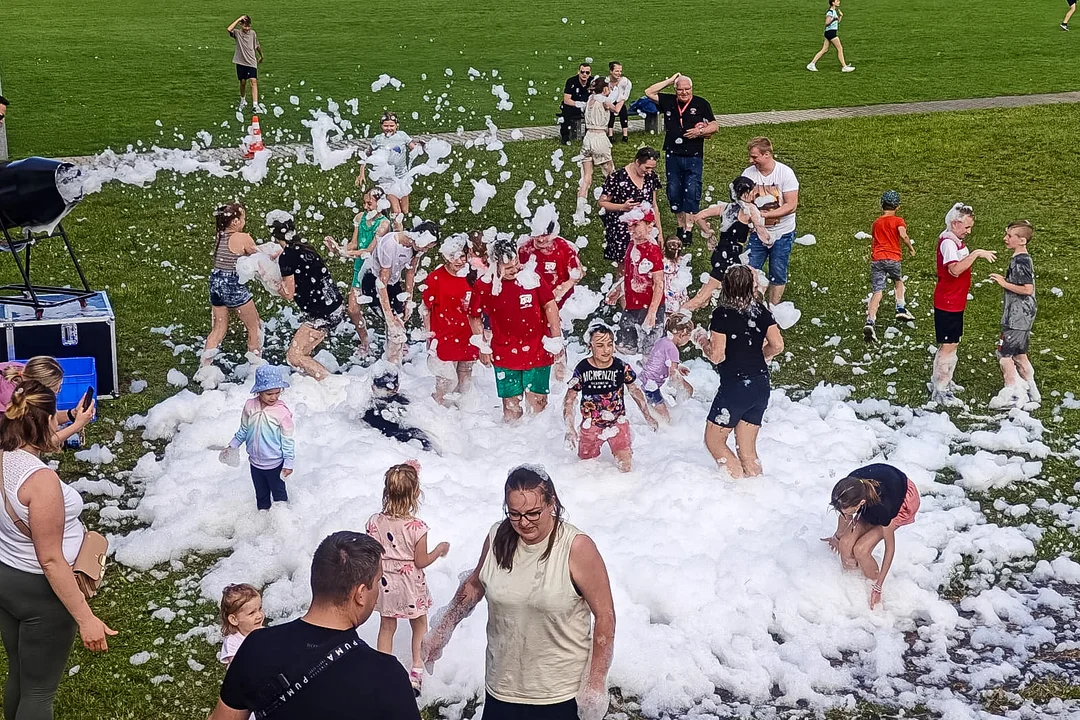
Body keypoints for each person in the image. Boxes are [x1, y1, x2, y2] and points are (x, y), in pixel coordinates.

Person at [421, 466, 615, 720]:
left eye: (533, 513)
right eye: (515, 514)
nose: (524, 522)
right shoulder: (497, 536)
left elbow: (605, 616)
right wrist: (441, 631)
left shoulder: (576, 548)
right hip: (501, 687)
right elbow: (473, 586)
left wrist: (595, 685)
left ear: (551, 504)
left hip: (557, 694)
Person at [207, 532, 421, 720]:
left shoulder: (257, 645)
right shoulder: (387, 676)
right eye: (378, 582)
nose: (379, 591)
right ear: (361, 594)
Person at [0, 381, 116, 720]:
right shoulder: (41, 483)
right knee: (39, 693)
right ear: (43, 421)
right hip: (42, 592)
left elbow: (37, 445)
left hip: (7, 575)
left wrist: (74, 424)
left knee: (21, 674)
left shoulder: (6, 453)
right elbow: (50, 560)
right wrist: (86, 618)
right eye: (55, 416)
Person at [366, 462, 449, 695]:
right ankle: (416, 673)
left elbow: (371, 551)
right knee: (419, 624)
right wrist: (439, 550)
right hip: (410, 584)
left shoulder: (375, 522)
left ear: (386, 492)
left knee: (387, 626)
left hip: (385, 582)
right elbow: (420, 561)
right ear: (415, 494)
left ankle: (382, 673)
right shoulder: (417, 527)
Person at [698, 265, 784, 478]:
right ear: (750, 286)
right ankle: (756, 491)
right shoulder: (761, 312)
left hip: (736, 387)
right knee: (747, 452)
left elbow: (717, 356)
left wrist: (701, 341)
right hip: (760, 385)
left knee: (714, 441)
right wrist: (758, 356)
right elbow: (778, 345)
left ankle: (736, 488)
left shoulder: (722, 314)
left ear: (725, 287)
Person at [468, 237, 565, 423]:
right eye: (508, 267)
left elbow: (550, 305)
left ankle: (538, 444)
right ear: (494, 265)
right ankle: (513, 444)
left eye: (515, 264)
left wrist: (556, 339)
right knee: (511, 407)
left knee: (538, 404)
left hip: (537, 349)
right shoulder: (484, 285)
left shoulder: (531, 278)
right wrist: (482, 345)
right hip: (504, 351)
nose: (514, 270)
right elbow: (474, 315)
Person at [822, 464, 920, 609]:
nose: (845, 514)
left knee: (861, 550)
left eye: (849, 511)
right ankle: (852, 587)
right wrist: (837, 538)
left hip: (901, 501)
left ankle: (871, 583)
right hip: (879, 490)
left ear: (860, 504)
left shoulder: (883, 508)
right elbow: (845, 515)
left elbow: (890, 548)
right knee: (845, 544)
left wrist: (879, 585)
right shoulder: (849, 489)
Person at [564, 325, 657, 472]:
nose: (606, 350)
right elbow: (570, 398)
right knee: (585, 467)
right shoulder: (582, 368)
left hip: (617, 422)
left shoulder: (620, 367)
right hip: (591, 424)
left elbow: (635, 391)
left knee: (626, 465)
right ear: (590, 346)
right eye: (600, 345)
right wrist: (570, 428)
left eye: (609, 344)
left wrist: (648, 415)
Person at [930, 203, 997, 406]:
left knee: (953, 343)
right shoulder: (949, 244)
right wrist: (976, 254)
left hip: (955, 301)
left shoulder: (955, 241)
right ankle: (940, 389)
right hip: (948, 301)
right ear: (955, 223)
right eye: (966, 227)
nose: (969, 231)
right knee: (948, 346)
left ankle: (945, 382)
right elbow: (954, 270)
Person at [644, 73, 718, 246]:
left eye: (687, 89)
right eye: (680, 89)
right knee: (674, 190)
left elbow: (715, 126)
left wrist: (699, 132)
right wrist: (670, 80)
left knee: (692, 190)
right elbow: (649, 92)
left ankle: (688, 230)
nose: (684, 92)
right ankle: (680, 225)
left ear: (692, 89)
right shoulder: (669, 101)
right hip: (673, 153)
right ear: (675, 90)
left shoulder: (701, 104)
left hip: (694, 155)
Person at [681, 176, 770, 313]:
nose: (754, 194)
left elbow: (698, 216)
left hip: (720, 253)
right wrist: (770, 237)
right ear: (745, 193)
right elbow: (764, 236)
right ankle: (676, 318)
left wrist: (709, 232)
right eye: (752, 191)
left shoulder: (725, 208)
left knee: (752, 283)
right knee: (702, 298)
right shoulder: (750, 210)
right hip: (731, 258)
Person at [270, 216, 343, 380]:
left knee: (294, 356)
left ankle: (330, 383)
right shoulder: (304, 246)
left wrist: (271, 281)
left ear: (274, 236)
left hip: (322, 314)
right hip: (334, 304)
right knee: (303, 352)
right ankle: (312, 382)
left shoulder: (287, 257)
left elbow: (288, 294)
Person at [325, 187, 391, 357]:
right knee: (353, 309)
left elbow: (369, 250)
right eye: (364, 202)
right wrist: (340, 248)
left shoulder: (384, 225)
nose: (366, 206)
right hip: (359, 269)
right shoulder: (359, 218)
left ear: (381, 204)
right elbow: (355, 244)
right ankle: (365, 340)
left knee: (384, 309)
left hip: (375, 271)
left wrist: (344, 253)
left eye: (370, 203)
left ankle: (395, 339)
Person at [362, 220, 439, 365]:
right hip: (373, 282)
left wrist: (408, 301)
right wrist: (389, 316)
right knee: (394, 324)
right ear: (418, 236)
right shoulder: (390, 245)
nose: (426, 250)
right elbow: (381, 284)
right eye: (427, 246)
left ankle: (394, 357)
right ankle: (391, 364)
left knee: (400, 319)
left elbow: (410, 272)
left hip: (393, 282)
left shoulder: (417, 247)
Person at [220, 364, 294, 510]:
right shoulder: (250, 406)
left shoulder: (282, 412)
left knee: (279, 495)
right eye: (269, 393)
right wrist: (233, 445)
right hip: (255, 463)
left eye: (277, 392)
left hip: (275, 463)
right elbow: (244, 429)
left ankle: (283, 521)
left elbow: (288, 439)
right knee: (261, 495)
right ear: (259, 391)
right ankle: (261, 521)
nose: (274, 397)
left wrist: (288, 462)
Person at [202, 203, 263, 368]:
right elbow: (260, 258)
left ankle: (204, 368)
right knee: (254, 326)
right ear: (235, 221)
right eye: (243, 218)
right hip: (232, 284)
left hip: (216, 282)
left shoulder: (220, 235)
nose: (245, 221)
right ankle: (255, 367)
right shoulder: (242, 237)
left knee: (219, 328)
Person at [421, 234, 479, 406]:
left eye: (463, 256)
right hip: (445, 336)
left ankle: (465, 413)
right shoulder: (435, 278)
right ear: (445, 256)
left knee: (466, 374)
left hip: (467, 335)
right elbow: (426, 309)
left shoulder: (472, 275)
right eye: (453, 256)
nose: (459, 261)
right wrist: (429, 335)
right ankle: (440, 412)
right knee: (447, 381)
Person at [743, 138, 801, 305]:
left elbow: (791, 205)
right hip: (757, 233)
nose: (751, 161)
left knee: (778, 271)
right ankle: (749, 305)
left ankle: (773, 309)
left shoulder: (785, 173)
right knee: (750, 269)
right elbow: (742, 202)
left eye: (754, 157)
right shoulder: (748, 174)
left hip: (782, 232)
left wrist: (764, 216)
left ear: (767, 154)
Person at [989, 220, 1038, 408]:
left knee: (1004, 354)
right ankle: (1033, 391)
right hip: (1022, 316)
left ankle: (1012, 393)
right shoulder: (1020, 259)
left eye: (1010, 236)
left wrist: (1003, 282)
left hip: (1018, 316)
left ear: (1022, 240)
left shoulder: (1021, 261)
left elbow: (1026, 289)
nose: (1005, 238)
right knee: (1020, 353)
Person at [606, 210, 665, 356]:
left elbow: (659, 284)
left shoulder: (653, 250)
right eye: (629, 225)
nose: (630, 229)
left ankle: (650, 376)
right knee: (623, 347)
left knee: (650, 352)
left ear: (649, 227)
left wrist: (652, 313)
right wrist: (619, 289)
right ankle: (627, 375)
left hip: (651, 306)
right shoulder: (632, 245)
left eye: (636, 224)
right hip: (632, 306)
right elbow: (630, 274)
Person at [0, 356, 96, 445]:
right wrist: (77, 425)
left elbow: (43, 418)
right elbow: (39, 444)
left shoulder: (24, 372)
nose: (58, 392)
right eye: (56, 390)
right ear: (41, 391)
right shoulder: (15, 403)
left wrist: (72, 414)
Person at [864, 190, 917, 343]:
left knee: (877, 291)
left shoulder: (876, 222)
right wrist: (910, 248)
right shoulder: (898, 221)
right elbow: (903, 235)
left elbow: (874, 240)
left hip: (877, 259)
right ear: (897, 207)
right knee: (898, 281)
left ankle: (870, 321)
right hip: (893, 258)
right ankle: (900, 308)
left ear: (882, 205)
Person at [598, 146, 663, 265]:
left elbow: (654, 205)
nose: (649, 171)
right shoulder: (617, 178)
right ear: (637, 162)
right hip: (622, 230)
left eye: (652, 168)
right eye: (647, 167)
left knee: (646, 267)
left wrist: (659, 233)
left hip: (645, 229)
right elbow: (602, 202)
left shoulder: (651, 177)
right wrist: (622, 207)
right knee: (624, 268)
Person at [355, 113, 425, 219]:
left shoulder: (402, 136)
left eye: (391, 126)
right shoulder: (378, 139)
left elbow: (414, 149)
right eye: (385, 126)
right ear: (381, 126)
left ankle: (392, 223)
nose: (389, 128)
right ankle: (394, 230)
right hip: (387, 179)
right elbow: (366, 156)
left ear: (397, 125)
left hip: (402, 177)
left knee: (405, 210)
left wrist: (421, 147)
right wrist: (361, 173)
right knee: (397, 211)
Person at [638, 313, 696, 422]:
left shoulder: (663, 341)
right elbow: (673, 375)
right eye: (688, 337)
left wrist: (678, 367)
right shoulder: (673, 349)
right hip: (650, 387)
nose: (688, 340)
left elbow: (662, 361)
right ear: (682, 334)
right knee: (665, 419)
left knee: (655, 411)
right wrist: (687, 387)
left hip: (645, 381)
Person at [575, 77, 617, 224]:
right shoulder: (604, 100)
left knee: (586, 178)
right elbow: (616, 110)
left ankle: (579, 214)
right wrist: (623, 97)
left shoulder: (590, 99)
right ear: (605, 89)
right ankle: (611, 207)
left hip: (587, 138)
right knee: (611, 175)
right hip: (600, 138)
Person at [363, 369, 435, 451]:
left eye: (394, 388)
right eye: (387, 389)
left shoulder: (403, 400)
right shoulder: (370, 409)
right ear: (373, 387)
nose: (394, 390)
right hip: (389, 439)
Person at [517, 221, 585, 309]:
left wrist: (562, 288)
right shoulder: (524, 249)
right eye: (538, 235)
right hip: (534, 301)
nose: (541, 239)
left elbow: (579, 273)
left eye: (545, 235)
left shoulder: (564, 248)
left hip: (560, 302)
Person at [218, 583, 264, 666]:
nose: (259, 615)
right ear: (234, 620)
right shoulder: (233, 642)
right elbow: (238, 668)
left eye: (260, 609)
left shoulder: (263, 632)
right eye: (252, 613)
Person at [227, 15, 264, 112]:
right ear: (241, 25)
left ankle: (255, 105)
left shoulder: (253, 33)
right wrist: (239, 18)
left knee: (253, 81)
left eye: (248, 26)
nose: (247, 28)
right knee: (243, 82)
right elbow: (229, 29)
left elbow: (256, 45)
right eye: (245, 26)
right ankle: (243, 100)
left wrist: (261, 55)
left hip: (251, 61)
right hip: (241, 61)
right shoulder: (237, 33)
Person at [807, 0, 855, 72]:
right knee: (840, 48)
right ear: (833, 3)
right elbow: (827, 23)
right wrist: (834, 19)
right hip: (831, 33)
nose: (839, 2)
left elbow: (837, 21)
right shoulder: (830, 12)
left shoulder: (834, 11)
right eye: (837, 1)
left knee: (824, 49)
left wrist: (841, 16)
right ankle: (844, 67)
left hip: (829, 32)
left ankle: (811, 64)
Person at [559, 63, 592, 145]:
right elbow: (566, 100)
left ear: (590, 73)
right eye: (582, 72)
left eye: (587, 72)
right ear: (578, 72)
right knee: (566, 110)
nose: (584, 74)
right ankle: (565, 136)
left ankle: (590, 135)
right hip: (573, 105)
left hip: (587, 105)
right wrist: (579, 104)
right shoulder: (571, 81)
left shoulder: (592, 82)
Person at [606, 62, 632, 143]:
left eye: (620, 71)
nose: (619, 73)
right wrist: (612, 108)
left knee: (623, 110)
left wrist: (617, 109)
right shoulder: (606, 82)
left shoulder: (625, 82)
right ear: (611, 71)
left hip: (620, 102)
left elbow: (624, 97)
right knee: (610, 112)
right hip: (609, 103)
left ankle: (625, 135)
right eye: (617, 71)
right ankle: (610, 135)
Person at [661, 237, 689, 311]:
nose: (675, 253)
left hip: (671, 292)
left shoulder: (662, 261)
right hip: (669, 292)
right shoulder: (664, 262)